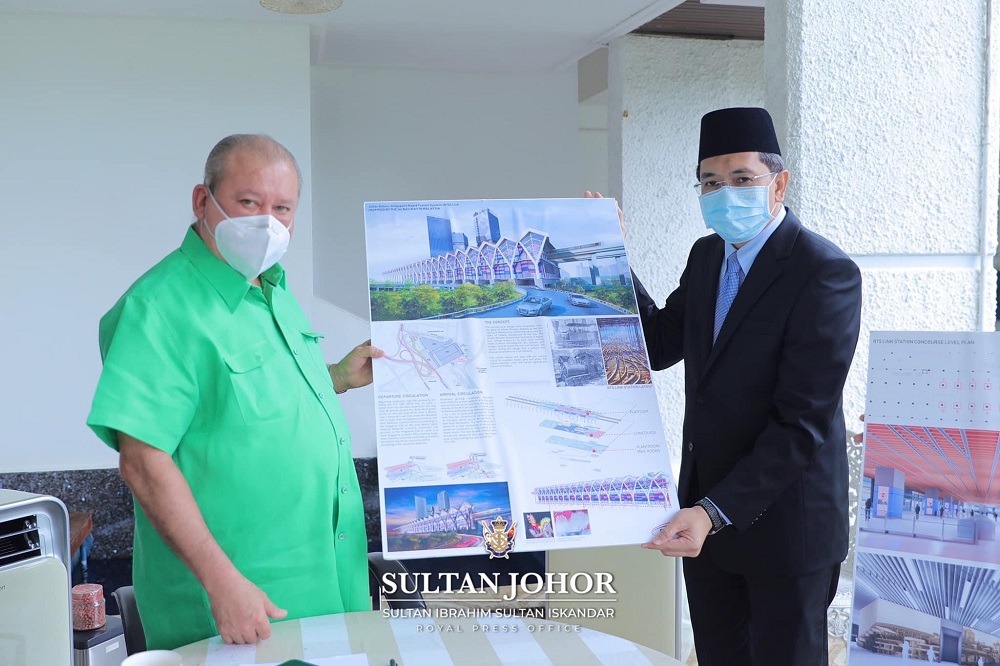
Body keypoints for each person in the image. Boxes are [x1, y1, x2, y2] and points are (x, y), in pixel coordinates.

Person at [87, 135, 383, 650]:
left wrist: (336, 376)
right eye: (249, 203)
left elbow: (245, 399)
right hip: (238, 606)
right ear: (204, 201)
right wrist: (222, 584)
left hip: (328, 587)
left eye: (282, 208)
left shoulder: (271, 289)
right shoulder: (157, 309)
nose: (267, 222)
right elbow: (142, 460)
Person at [622, 107, 863, 665]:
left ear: (778, 183)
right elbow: (657, 344)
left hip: (784, 528)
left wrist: (710, 510)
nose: (723, 193)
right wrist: (609, 255)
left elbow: (800, 424)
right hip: (708, 525)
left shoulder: (823, 272)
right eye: (710, 182)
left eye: (741, 179)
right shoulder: (707, 256)